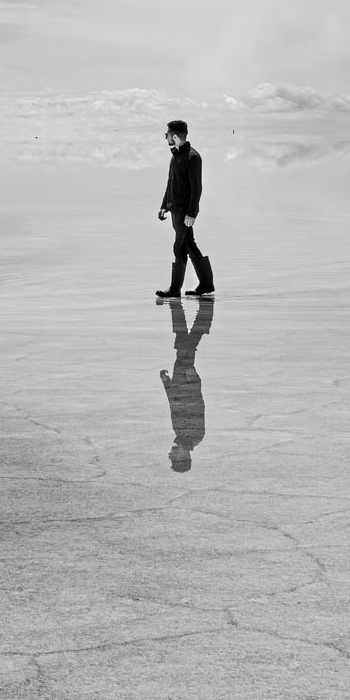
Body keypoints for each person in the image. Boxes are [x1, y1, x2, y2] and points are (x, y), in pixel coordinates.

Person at [157, 119, 215, 300]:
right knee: (188, 244)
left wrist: (192, 213)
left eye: (166, 134)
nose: (165, 137)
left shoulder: (193, 157)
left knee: (180, 246)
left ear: (175, 136)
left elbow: (197, 188)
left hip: (184, 212)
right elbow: (170, 182)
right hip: (174, 209)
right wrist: (163, 205)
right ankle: (205, 284)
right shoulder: (175, 155)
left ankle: (175, 290)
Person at [162, 296, 214, 472]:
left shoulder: (180, 435)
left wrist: (167, 383)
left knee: (184, 340)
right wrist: (192, 379)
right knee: (186, 341)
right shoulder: (195, 436)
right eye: (174, 458)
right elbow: (198, 406)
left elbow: (173, 405)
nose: (170, 455)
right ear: (184, 457)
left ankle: (200, 312)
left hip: (179, 378)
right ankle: (204, 311)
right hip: (186, 377)